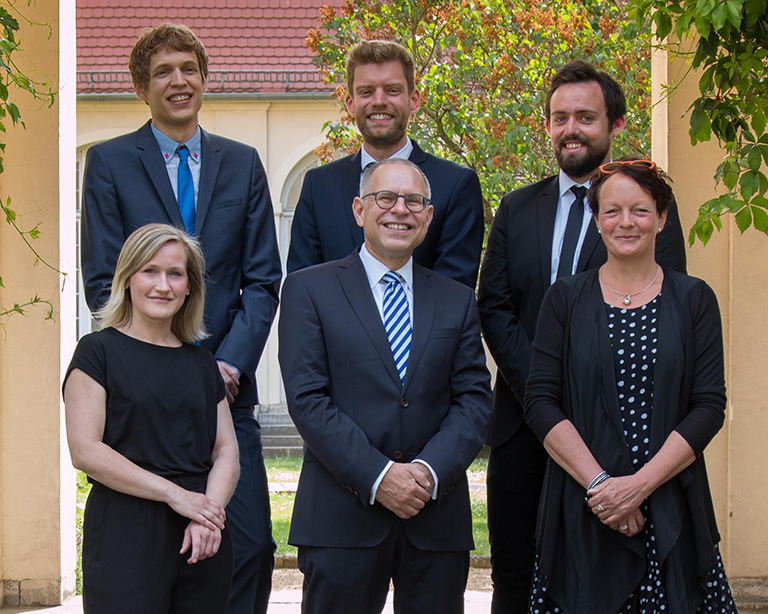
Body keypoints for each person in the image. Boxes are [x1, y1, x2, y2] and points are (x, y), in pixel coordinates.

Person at [79, 24, 281, 614]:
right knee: (149, 556)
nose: (178, 81)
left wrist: (226, 366)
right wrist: (157, 363)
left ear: (205, 78)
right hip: (143, 395)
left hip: (226, 387)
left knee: (249, 548)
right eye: (163, 71)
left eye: (189, 68)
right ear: (141, 87)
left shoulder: (242, 164)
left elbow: (263, 280)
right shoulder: (110, 162)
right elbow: (103, 278)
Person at [477, 59, 688, 613]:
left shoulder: (642, 214)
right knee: (515, 579)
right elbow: (494, 307)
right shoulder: (516, 208)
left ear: (615, 124)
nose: (570, 129)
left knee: (605, 583)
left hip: (612, 436)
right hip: (523, 429)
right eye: (560, 118)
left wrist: (578, 403)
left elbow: (661, 318)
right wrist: (543, 396)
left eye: (586, 117)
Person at [278, 158, 492, 614]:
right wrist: (379, 476)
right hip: (341, 519)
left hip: (435, 519)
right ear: (359, 210)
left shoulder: (456, 300)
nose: (400, 209)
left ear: (428, 217)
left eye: (413, 201)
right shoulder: (307, 290)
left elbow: (474, 400)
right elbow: (308, 400)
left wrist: (428, 473)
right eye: (386, 198)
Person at [524, 159, 736, 613]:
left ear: (661, 218)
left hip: (670, 504)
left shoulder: (694, 299)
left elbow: (708, 406)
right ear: (596, 219)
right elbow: (540, 401)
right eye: (612, 210)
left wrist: (638, 487)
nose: (626, 222)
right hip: (584, 506)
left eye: (640, 210)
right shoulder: (564, 299)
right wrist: (604, 488)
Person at [64, 223, 239, 613]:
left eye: (175, 273)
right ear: (127, 278)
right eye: (150, 271)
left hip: (201, 533)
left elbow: (226, 449)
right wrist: (176, 496)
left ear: (190, 286)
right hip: (126, 528)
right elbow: (85, 450)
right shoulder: (96, 352)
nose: (163, 285)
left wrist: (208, 515)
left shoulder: (202, 363)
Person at [287, 39, 484, 289]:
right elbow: (304, 288)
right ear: (351, 104)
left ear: (414, 100)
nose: (379, 101)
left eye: (392, 90)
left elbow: (453, 294)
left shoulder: (456, 185)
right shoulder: (319, 186)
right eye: (366, 92)